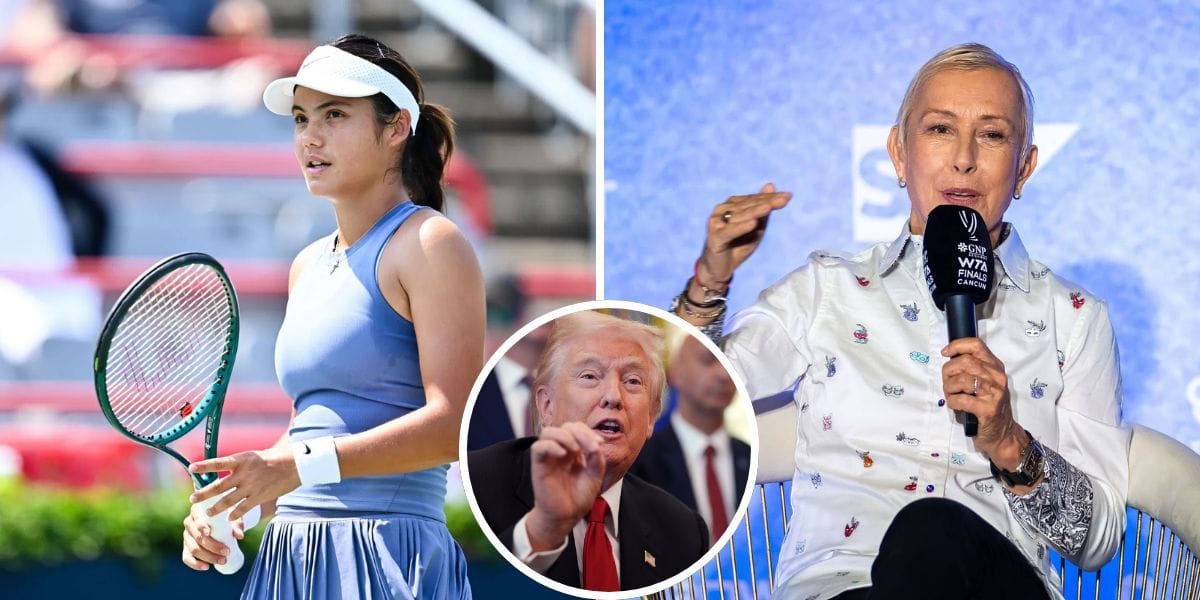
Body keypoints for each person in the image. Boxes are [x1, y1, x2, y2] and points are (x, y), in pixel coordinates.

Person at [673, 43, 1128, 600]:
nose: (963, 158)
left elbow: (1097, 540)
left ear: (1024, 168)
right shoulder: (826, 291)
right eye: (939, 129)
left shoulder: (1075, 319)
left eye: (992, 135)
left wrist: (1010, 443)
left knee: (929, 531)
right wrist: (709, 283)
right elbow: (699, 391)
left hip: (996, 588)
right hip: (843, 590)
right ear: (897, 153)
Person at [179, 33, 484, 600]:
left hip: (391, 555)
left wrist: (296, 464)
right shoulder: (306, 266)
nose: (310, 138)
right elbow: (314, 428)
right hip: (291, 557)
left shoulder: (431, 242)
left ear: (395, 130)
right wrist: (241, 505)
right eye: (300, 118)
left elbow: (455, 426)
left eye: (335, 114)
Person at [468, 310, 709, 592]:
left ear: (652, 418)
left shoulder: (683, 531)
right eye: (590, 376)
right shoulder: (479, 483)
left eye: (632, 381)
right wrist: (544, 529)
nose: (613, 397)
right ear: (546, 406)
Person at [629, 334, 751, 544]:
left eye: (731, 362)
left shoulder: (752, 458)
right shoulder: (639, 462)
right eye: (708, 360)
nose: (724, 374)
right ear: (675, 371)